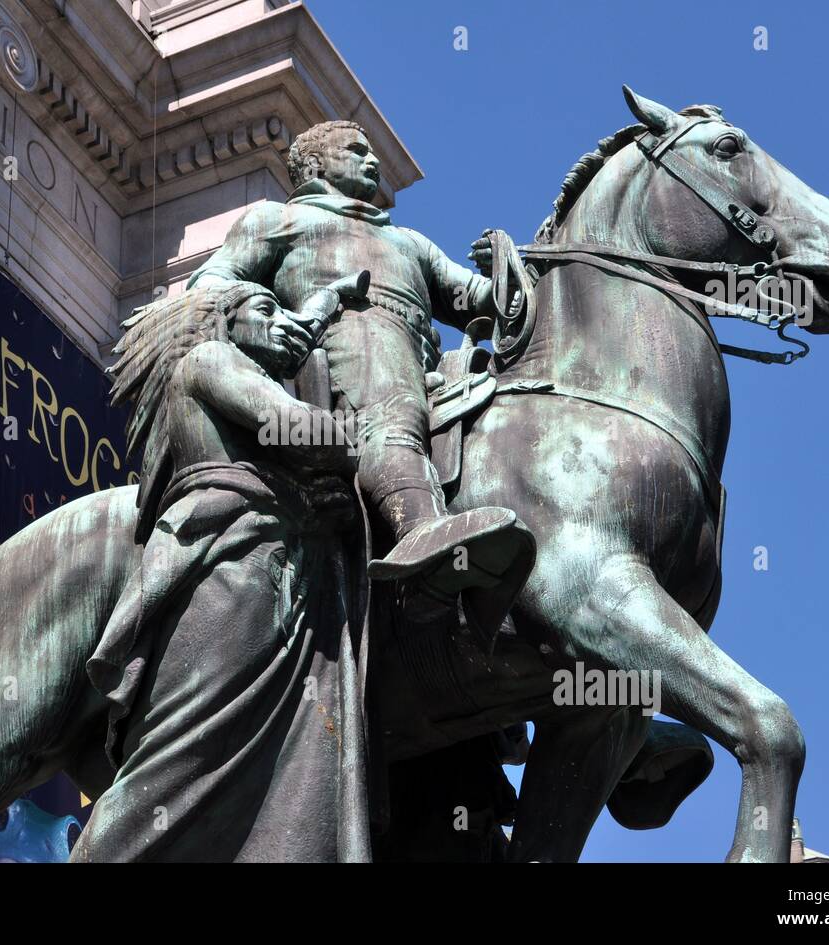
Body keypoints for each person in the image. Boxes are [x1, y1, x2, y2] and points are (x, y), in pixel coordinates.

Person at [189, 120, 533, 633]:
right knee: (388, 388)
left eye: (372, 153)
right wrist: (262, 316)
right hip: (339, 348)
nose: (372, 161)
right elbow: (211, 281)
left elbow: (477, 300)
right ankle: (420, 533)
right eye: (355, 151)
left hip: (422, 366)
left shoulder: (407, 241)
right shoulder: (278, 220)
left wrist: (509, 266)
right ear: (315, 165)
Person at [74, 276, 374, 862]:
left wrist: (331, 299)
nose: (282, 323)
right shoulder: (211, 359)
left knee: (287, 772)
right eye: (265, 309)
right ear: (224, 321)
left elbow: (299, 336)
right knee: (186, 752)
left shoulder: (245, 366)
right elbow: (301, 429)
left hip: (274, 567)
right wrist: (368, 436)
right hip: (235, 565)